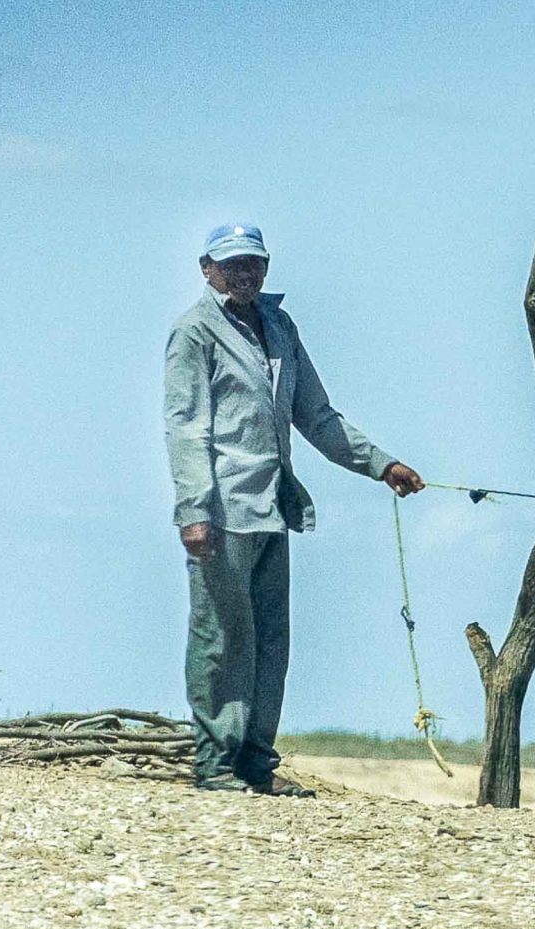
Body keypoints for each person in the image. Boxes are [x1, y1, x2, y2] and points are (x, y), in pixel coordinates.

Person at [163, 224, 424, 794]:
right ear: (207, 268)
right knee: (220, 637)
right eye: (231, 265)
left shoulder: (279, 326)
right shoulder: (194, 332)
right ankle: (215, 765)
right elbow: (186, 428)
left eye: (253, 264)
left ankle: (257, 762)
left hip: (272, 507)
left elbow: (318, 417)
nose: (244, 275)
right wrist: (193, 510)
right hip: (221, 509)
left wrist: (382, 464)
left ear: (267, 266)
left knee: (269, 641)